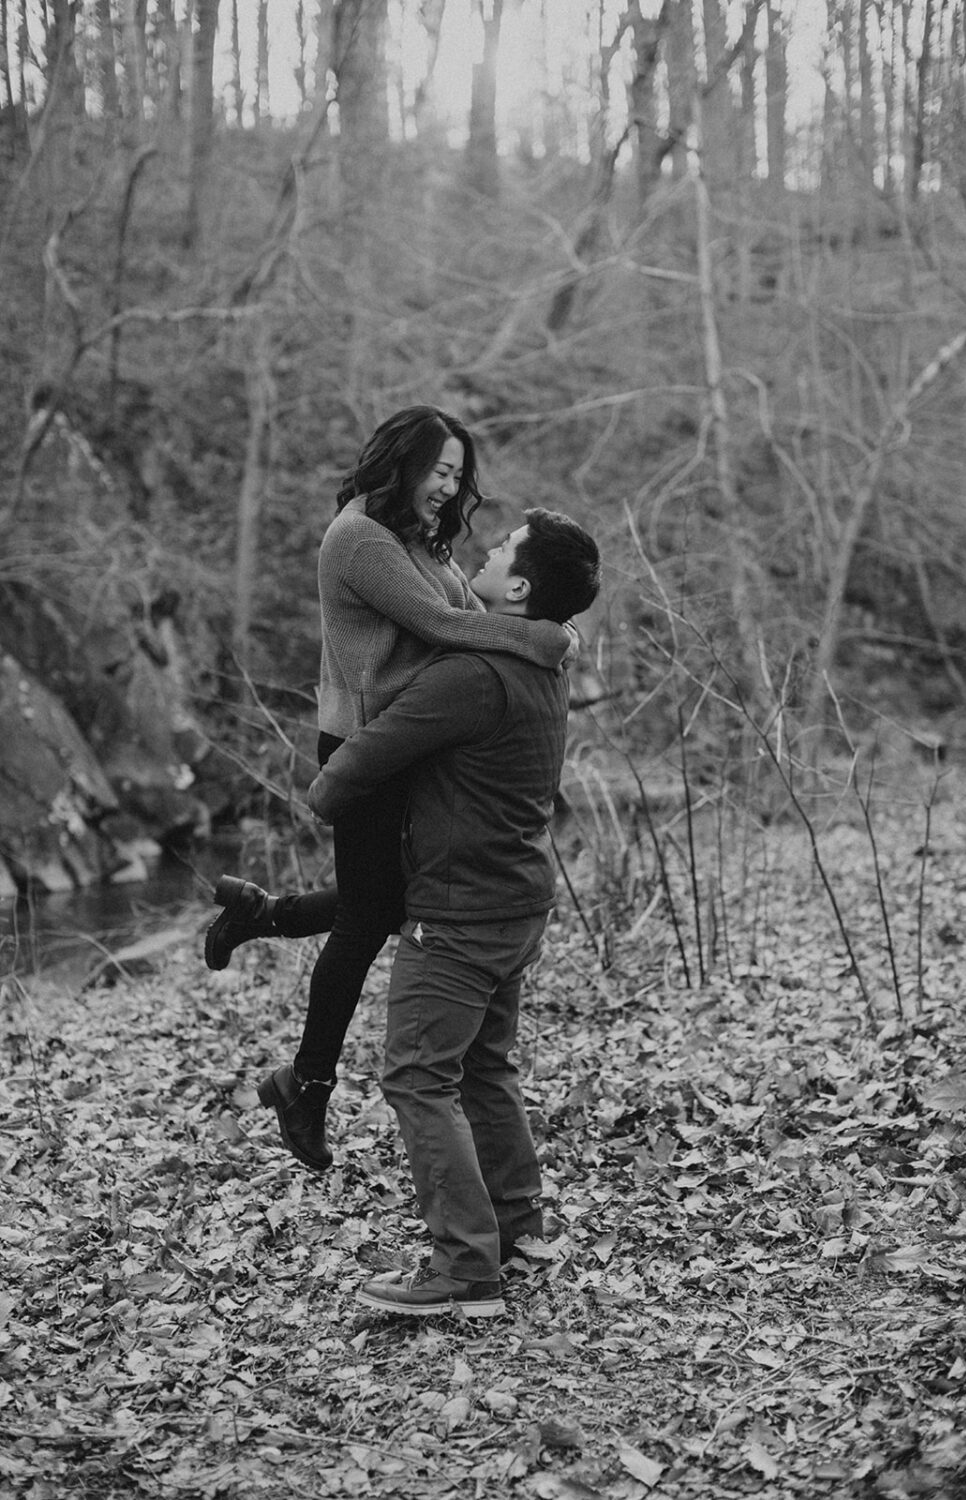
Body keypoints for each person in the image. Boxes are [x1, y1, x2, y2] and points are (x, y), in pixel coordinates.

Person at [205, 407, 573, 1172]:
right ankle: (307, 1084)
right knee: (371, 915)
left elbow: (466, 614)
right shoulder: (361, 539)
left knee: (395, 895)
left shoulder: (415, 537)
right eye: (439, 470)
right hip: (367, 743)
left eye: (457, 475)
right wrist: (544, 636)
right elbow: (444, 626)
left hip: (411, 739)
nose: (449, 487)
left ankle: (264, 915)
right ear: (402, 463)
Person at [307, 509, 601, 1317]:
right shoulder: (544, 659)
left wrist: (323, 795)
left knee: (417, 1076)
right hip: (516, 901)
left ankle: (466, 1267)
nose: (488, 548)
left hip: (460, 912)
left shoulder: (472, 675)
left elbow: (372, 750)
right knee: (483, 1067)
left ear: (519, 588)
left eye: (503, 548)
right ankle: (519, 1227)